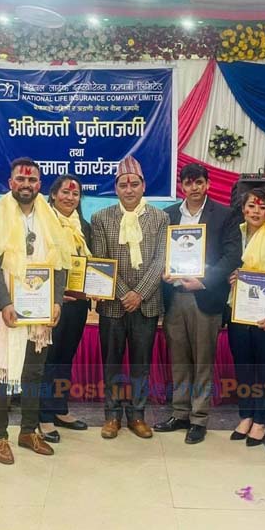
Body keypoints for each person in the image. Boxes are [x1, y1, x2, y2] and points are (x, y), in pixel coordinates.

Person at [0, 158, 70, 464]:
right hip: (5, 309)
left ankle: (28, 431)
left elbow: (60, 262)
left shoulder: (50, 216)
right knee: (2, 370)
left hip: (39, 309)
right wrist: (4, 303)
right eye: (20, 179)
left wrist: (56, 301)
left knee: (34, 372)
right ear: (10, 183)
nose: (26, 184)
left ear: (39, 185)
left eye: (32, 180)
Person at [155, 163, 241, 444]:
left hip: (205, 296)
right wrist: (163, 270)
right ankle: (180, 413)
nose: (194, 188)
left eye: (199, 182)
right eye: (188, 183)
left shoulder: (225, 215)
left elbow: (232, 256)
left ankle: (199, 418)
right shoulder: (168, 215)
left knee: (203, 360)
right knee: (179, 359)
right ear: (182, 186)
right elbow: (160, 251)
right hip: (174, 296)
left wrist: (204, 281)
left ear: (207, 184)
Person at [90, 156, 169, 440]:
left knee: (141, 364)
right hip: (113, 305)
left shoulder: (160, 218)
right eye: (123, 184)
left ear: (143, 185)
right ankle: (112, 416)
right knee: (111, 363)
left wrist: (140, 293)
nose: (129, 189)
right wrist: (126, 294)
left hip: (147, 304)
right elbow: (102, 261)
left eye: (134, 184)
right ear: (116, 188)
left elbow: (161, 260)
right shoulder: (101, 218)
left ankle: (137, 415)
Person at [225, 187, 265, 446]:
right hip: (238, 311)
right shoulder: (235, 234)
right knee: (244, 366)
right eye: (251, 206)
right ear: (243, 209)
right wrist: (229, 276)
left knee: (264, 368)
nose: (255, 211)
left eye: (262, 207)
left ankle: (261, 420)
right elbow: (224, 262)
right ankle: (246, 415)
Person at [39, 175, 92, 443]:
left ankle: (60, 409)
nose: (70, 197)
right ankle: (44, 416)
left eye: (75, 194)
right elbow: (36, 263)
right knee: (48, 359)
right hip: (51, 303)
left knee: (65, 358)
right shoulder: (42, 222)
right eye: (65, 192)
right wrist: (56, 293)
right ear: (53, 194)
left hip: (78, 304)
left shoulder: (84, 226)